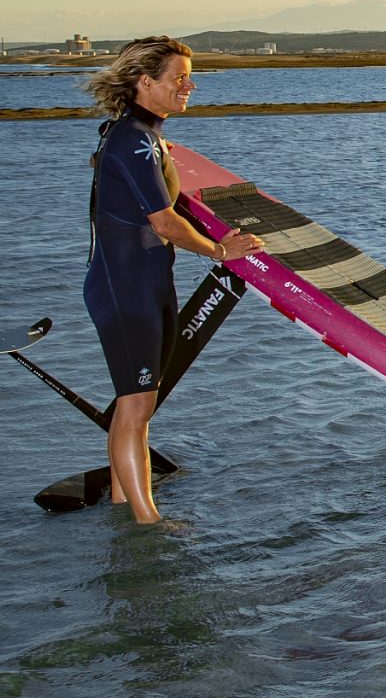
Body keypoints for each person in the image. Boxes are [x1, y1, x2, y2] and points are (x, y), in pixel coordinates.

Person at [82, 37, 262, 523]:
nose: (190, 84)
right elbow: (163, 221)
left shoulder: (146, 137)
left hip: (147, 286)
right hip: (125, 292)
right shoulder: (131, 139)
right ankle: (147, 521)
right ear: (146, 83)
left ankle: (126, 504)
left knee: (134, 405)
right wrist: (221, 251)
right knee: (138, 404)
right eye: (179, 77)